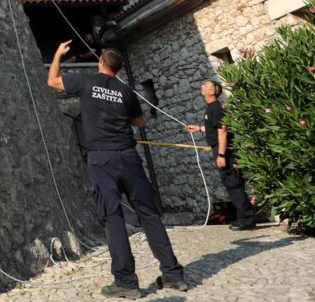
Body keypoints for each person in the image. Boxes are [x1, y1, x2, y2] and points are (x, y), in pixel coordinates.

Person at [48, 41, 188, 298]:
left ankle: (126, 282)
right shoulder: (126, 91)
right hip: (129, 156)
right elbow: (140, 122)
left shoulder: (86, 81)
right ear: (120, 68)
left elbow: (53, 81)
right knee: (149, 214)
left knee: (112, 217)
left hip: (102, 159)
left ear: (100, 60)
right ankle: (173, 275)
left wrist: (57, 54)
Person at [185, 81, 256, 230]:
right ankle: (242, 218)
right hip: (220, 148)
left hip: (224, 150)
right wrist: (198, 128)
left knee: (233, 184)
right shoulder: (211, 108)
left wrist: (222, 155)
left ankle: (247, 220)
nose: (201, 87)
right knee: (231, 184)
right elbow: (213, 128)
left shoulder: (216, 108)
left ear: (211, 92)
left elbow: (222, 132)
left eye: (205, 85)